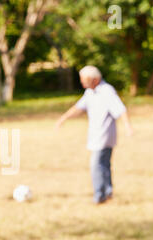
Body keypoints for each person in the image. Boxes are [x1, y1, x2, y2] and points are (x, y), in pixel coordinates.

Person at [56, 65, 133, 204]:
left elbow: (120, 109)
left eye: (85, 79)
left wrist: (128, 127)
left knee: (96, 165)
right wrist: (63, 118)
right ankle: (108, 192)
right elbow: (79, 108)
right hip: (96, 135)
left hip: (104, 135)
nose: (82, 82)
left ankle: (99, 196)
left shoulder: (106, 91)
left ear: (95, 79)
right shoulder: (90, 92)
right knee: (104, 165)